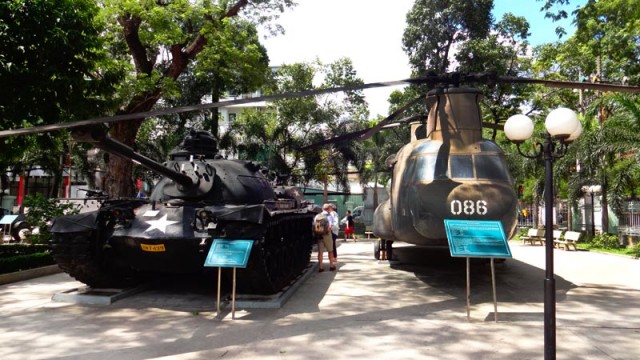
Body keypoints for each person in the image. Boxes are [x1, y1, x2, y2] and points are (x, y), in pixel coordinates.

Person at [313, 206, 336, 272]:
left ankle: (321, 267)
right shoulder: (329, 216)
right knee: (330, 251)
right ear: (328, 209)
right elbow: (330, 227)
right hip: (327, 235)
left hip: (319, 235)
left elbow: (314, 225)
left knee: (320, 252)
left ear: (322, 209)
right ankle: (331, 265)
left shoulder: (317, 216)